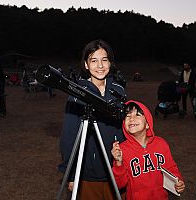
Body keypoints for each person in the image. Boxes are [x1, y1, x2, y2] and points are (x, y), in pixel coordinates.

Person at [58, 39, 126, 199]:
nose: (100, 66)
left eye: (104, 60)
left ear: (110, 63)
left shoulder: (119, 91)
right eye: (94, 61)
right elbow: (69, 137)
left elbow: (124, 128)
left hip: (116, 168)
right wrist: (72, 174)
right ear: (86, 65)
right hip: (89, 173)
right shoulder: (77, 95)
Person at [111, 100, 185, 199]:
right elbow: (119, 185)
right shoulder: (122, 150)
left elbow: (171, 168)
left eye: (137, 115)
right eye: (127, 116)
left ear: (147, 124)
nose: (131, 119)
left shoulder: (161, 144)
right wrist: (118, 163)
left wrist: (178, 181)